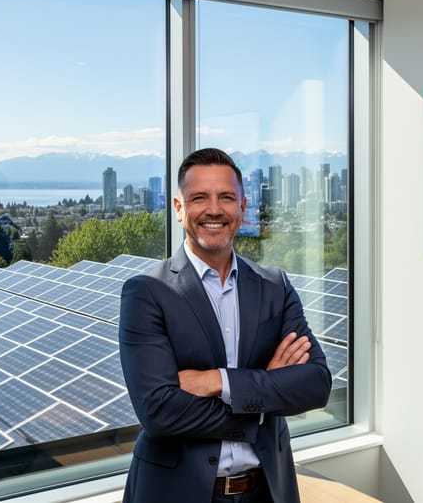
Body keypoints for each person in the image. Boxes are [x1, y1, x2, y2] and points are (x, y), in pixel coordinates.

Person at [119, 147, 332, 502]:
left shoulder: (274, 286)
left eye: (226, 198)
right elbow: (159, 413)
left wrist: (217, 381)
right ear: (179, 208)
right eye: (199, 198)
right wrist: (263, 400)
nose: (214, 209)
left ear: (242, 207)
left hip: (267, 491)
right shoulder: (146, 293)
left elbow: (316, 384)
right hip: (177, 493)